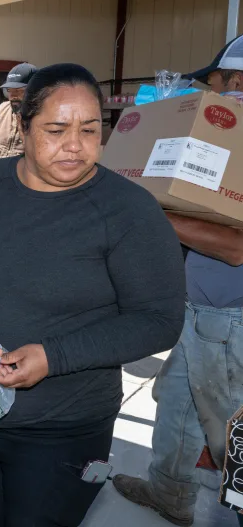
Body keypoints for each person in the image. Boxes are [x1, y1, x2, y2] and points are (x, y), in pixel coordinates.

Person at [0, 63, 186, 527]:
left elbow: (159, 319)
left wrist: (53, 356)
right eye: (56, 129)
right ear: (23, 124)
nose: (75, 145)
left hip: (66, 426)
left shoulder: (128, 210)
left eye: (90, 130)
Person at [113, 36, 243, 527]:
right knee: (178, 408)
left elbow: (236, 247)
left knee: (231, 435)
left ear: (235, 80)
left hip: (231, 320)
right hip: (201, 313)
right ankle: (169, 493)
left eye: (214, 85)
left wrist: (151, 212)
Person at [0, 62, 37, 159]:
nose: (13, 96)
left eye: (19, 90)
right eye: (9, 90)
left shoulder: (45, 117)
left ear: (35, 90)